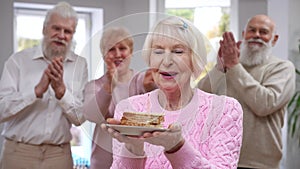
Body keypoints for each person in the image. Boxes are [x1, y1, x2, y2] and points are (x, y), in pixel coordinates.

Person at [101, 16, 243, 168]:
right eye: (158, 51)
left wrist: (177, 147)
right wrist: (133, 148)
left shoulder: (224, 109)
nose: (167, 61)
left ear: (194, 60)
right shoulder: (128, 108)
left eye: (177, 51)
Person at [198, 14, 296, 169]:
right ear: (244, 34)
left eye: (263, 32)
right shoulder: (228, 65)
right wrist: (219, 68)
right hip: (221, 159)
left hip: (261, 164)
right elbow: (199, 99)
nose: (256, 35)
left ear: (274, 39)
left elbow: (265, 104)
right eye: (252, 30)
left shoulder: (282, 68)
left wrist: (234, 66)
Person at [0, 2, 88, 169]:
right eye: (56, 28)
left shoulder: (80, 65)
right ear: (44, 29)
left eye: (67, 31)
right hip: (19, 153)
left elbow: (79, 119)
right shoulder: (18, 61)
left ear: (72, 35)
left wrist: (62, 92)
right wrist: (36, 91)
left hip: (59, 155)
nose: (61, 35)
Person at [83, 27, 155, 169]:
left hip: (138, 160)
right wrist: (109, 85)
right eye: (111, 49)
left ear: (131, 52)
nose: (117, 54)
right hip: (103, 161)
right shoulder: (94, 86)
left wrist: (152, 88)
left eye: (122, 48)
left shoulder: (143, 81)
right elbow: (92, 116)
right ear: (104, 55)